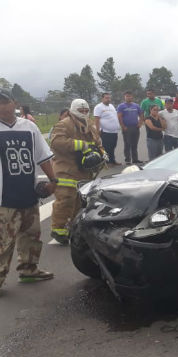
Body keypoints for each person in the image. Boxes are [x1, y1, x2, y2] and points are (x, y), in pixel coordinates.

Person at [0, 89, 57, 288]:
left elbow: (43, 156)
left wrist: (53, 180)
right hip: (4, 198)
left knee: (32, 236)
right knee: (4, 242)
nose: (2, 106)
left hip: (28, 193)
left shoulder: (29, 127)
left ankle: (29, 269)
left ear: (14, 103)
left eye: (5, 102)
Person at [49, 99, 106, 245]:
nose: (84, 113)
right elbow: (56, 142)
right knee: (66, 198)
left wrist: (101, 152)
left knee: (80, 201)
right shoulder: (64, 124)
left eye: (86, 111)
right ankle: (58, 229)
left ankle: (75, 227)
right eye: (81, 111)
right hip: (66, 168)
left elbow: (97, 141)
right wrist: (81, 145)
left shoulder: (90, 125)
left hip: (84, 170)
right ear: (73, 110)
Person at [116, 91, 144, 165]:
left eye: (130, 96)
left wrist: (140, 123)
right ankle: (127, 159)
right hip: (126, 128)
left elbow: (141, 114)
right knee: (127, 144)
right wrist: (123, 126)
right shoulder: (121, 106)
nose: (128, 97)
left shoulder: (136, 106)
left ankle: (135, 159)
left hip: (135, 127)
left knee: (135, 144)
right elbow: (119, 117)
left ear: (132, 97)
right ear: (124, 97)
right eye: (127, 96)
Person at [93, 92, 121, 165]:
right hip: (106, 132)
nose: (108, 99)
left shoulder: (111, 106)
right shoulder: (98, 107)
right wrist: (98, 130)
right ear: (102, 98)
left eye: (109, 98)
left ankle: (112, 160)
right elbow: (96, 120)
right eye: (106, 98)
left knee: (112, 147)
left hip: (114, 132)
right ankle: (106, 162)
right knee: (106, 148)